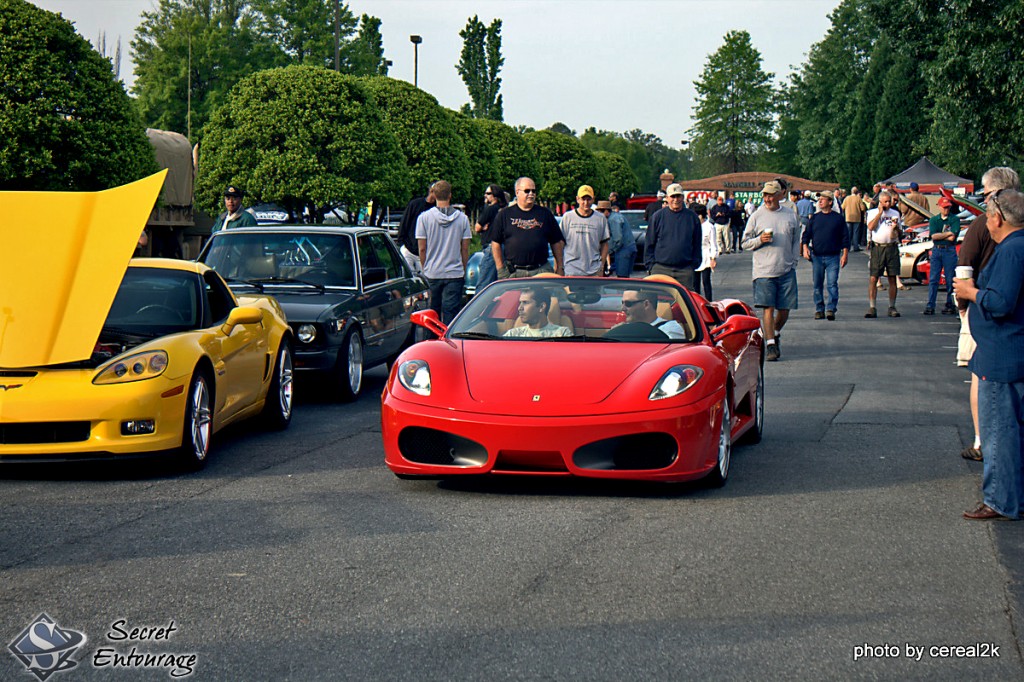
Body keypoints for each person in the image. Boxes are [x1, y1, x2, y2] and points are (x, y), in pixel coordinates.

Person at [953, 189, 1024, 520]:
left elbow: (1000, 302)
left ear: (997, 218)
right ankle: (1012, 497)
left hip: (1002, 354)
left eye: (988, 215)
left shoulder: (1011, 251)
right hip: (1008, 350)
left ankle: (999, 500)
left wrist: (970, 292)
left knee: (999, 434)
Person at [741, 180, 801, 361]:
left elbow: (796, 239)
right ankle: (770, 345)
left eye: (771, 195)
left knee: (785, 309)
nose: (767, 199)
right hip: (763, 270)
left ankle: (773, 333)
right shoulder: (756, 216)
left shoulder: (790, 215)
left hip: (786, 268)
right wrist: (760, 240)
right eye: (765, 195)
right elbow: (744, 243)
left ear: (780, 195)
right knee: (768, 308)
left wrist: (794, 261)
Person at [415, 181, 471, 325]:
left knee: (432, 314)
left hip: (432, 272)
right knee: (451, 314)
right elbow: (464, 248)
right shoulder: (462, 219)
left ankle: (431, 343)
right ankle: (448, 343)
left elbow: (422, 248)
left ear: (434, 195)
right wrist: (463, 268)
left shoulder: (424, 218)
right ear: (450, 195)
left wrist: (425, 267)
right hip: (454, 273)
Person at [491, 177, 565, 279]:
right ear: (517, 192)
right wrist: (500, 269)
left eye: (533, 191)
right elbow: (495, 242)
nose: (531, 194)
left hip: (541, 270)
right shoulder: (504, 214)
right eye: (527, 191)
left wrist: (560, 267)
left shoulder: (545, 214)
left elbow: (556, 241)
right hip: (514, 272)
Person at [801, 191, 849, 320]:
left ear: (830, 202)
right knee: (817, 284)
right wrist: (805, 249)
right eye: (819, 199)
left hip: (833, 256)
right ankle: (819, 308)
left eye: (823, 199)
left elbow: (845, 238)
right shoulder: (815, 218)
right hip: (816, 256)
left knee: (832, 284)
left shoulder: (838, 218)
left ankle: (831, 308)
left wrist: (845, 254)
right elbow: (806, 235)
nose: (820, 201)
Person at [643, 183, 702, 288]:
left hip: (685, 270)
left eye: (678, 196)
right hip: (661, 269)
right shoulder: (657, 217)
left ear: (683, 197)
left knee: (684, 303)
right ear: (667, 198)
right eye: (673, 196)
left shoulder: (692, 218)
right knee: (660, 302)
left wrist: (694, 264)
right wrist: (651, 266)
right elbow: (649, 243)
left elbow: (697, 243)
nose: (676, 199)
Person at [864, 190, 903, 318]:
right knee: (874, 277)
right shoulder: (872, 213)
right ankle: (872, 306)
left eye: (889, 201)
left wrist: (896, 227)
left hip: (891, 247)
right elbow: (870, 227)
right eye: (885, 202)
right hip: (878, 248)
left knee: (892, 277)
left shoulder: (895, 213)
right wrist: (879, 213)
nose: (888, 204)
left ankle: (892, 306)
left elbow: (900, 232)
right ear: (880, 202)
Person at [560, 184, 610, 276]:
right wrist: (560, 266)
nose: (586, 203)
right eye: (583, 199)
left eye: (589, 199)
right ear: (577, 199)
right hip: (571, 270)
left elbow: (604, 244)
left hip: (593, 270)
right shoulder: (568, 217)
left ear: (593, 199)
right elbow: (560, 243)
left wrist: (601, 266)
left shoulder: (600, 218)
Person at [923, 197, 961, 316]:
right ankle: (930, 305)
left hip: (949, 250)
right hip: (937, 250)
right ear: (939, 207)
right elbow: (933, 236)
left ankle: (950, 304)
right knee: (934, 278)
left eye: (948, 207)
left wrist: (942, 235)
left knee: (950, 278)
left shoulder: (954, 219)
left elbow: (953, 237)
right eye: (944, 207)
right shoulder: (934, 220)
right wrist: (947, 234)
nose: (946, 209)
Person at [474, 183, 507, 291]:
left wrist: (483, 227)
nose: (485, 196)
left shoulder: (490, 209)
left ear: (495, 196)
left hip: (490, 248)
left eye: (488, 193)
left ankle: (478, 307)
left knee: (483, 284)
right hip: (502, 247)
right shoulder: (503, 210)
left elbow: (477, 227)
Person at [502, 286, 571, 338]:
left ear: (541, 307)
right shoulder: (513, 335)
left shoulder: (562, 334)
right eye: (520, 303)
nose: (519, 308)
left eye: (525, 302)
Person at [397, 184, 436, 274]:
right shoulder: (415, 204)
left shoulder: (437, 209)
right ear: (431, 191)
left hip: (426, 254)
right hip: (408, 249)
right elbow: (405, 222)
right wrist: (401, 242)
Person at [620, 289, 686, 339]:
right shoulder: (623, 329)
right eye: (622, 303)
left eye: (628, 304)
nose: (622, 308)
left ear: (646, 304)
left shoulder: (670, 329)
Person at [600, 201, 636, 277]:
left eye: (601, 212)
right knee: (626, 276)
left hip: (624, 250)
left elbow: (618, 239)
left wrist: (608, 251)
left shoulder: (613, 219)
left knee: (622, 277)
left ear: (606, 211)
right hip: (629, 247)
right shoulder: (617, 216)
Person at [693, 206, 719, 300]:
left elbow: (713, 243)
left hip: (706, 255)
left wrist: (713, 258)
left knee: (706, 281)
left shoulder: (709, 227)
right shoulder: (692, 225)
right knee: (695, 283)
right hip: (694, 255)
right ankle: (696, 303)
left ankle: (709, 302)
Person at [842, 185, 866, 252]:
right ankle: (856, 247)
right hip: (856, 218)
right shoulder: (858, 199)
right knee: (856, 232)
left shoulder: (847, 198)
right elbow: (862, 208)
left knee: (848, 233)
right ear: (857, 192)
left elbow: (842, 207)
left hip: (848, 217)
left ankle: (847, 247)